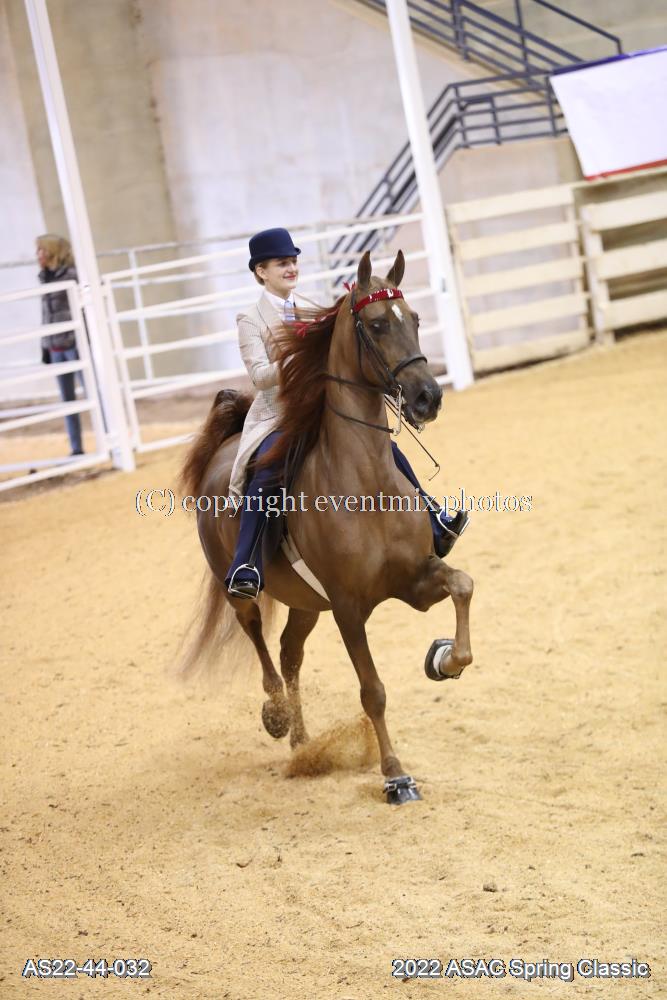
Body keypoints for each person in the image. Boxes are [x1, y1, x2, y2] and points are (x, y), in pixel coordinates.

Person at [225, 227, 468, 600]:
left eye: (293, 261)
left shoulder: (309, 306)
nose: (291, 268)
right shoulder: (250, 319)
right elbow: (259, 376)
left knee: (385, 448)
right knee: (268, 469)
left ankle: (434, 518)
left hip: (321, 404)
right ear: (261, 271)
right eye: (281, 263)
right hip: (278, 415)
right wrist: (299, 361)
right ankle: (247, 562)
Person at [37, 234, 84, 456]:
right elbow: (46, 315)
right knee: (67, 401)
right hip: (56, 347)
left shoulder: (73, 276)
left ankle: (111, 441)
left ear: (54, 251)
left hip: (75, 345)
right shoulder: (44, 277)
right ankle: (76, 448)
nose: (38, 255)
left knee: (95, 394)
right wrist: (45, 345)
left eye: (42, 250)